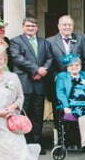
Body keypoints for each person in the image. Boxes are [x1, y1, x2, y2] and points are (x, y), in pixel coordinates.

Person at [8, 17, 54, 150]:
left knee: (38, 115)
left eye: (33, 26)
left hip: (40, 83)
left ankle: (36, 143)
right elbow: (17, 59)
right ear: (23, 27)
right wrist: (36, 69)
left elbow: (50, 58)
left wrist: (44, 69)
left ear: (37, 28)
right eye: (28, 26)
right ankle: (24, 143)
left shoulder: (44, 43)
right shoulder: (15, 42)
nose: (31, 28)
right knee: (23, 114)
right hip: (25, 83)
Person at [54, 53, 85, 147]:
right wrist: (65, 106)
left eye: (77, 65)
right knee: (84, 111)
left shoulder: (84, 76)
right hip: (72, 104)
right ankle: (84, 141)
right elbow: (60, 93)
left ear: (80, 66)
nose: (74, 67)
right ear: (67, 67)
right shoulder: (63, 77)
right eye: (71, 65)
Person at [45, 15, 83, 100]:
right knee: (58, 109)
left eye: (70, 25)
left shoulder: (80, 40)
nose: (67, 27)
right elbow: (48, 61)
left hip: (77, 81)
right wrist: (56, 76)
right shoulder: (49, 41)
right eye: (64, 25)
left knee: (77, 109)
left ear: (73, 27)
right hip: (57, 81)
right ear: (59, 26)